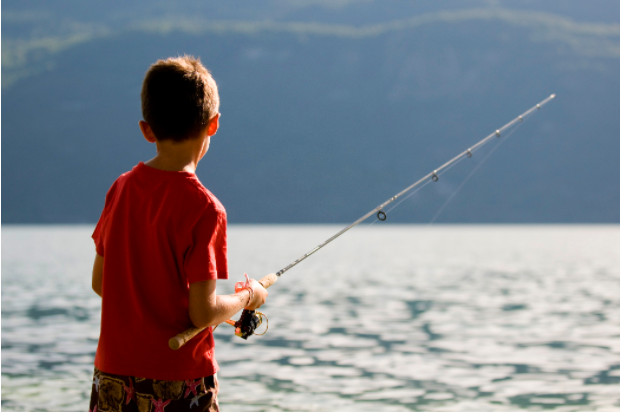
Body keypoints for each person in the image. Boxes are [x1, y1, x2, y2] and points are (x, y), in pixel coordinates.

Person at [89, 55, 269, 412]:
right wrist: (249, 296)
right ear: (214, 124)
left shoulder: (121, 189)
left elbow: (100, 283)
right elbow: (203, 314)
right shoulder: (206, 209)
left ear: (147, 129)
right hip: (178, 379)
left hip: (111, 375)